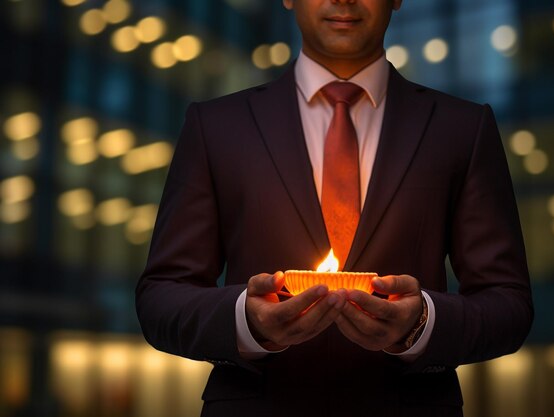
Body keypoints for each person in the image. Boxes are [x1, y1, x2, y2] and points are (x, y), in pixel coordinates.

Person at [136, 0, 533, 416]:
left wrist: (422, 323)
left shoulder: (462, 129)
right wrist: (245, 321)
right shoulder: (216, 126)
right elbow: (161, 297)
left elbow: (508, 304)